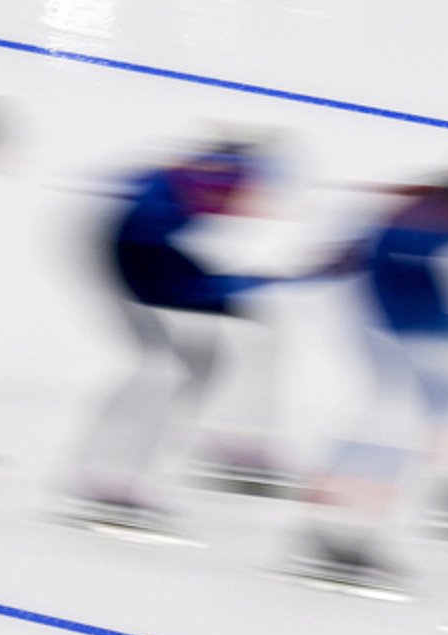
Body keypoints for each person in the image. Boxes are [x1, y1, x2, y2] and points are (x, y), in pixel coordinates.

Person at [285, 161, 448, 596]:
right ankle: (333, 534)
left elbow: (395, 266)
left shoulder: (441, 217)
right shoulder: (424, 224)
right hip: (388, 323)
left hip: (402, 320)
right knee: (400, 421)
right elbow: (387, 269)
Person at [62, 137, 292, 536]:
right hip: (129, 256)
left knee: (215, 354)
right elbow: (171, 278)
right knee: (161, 369)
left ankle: (229, 441)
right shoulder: (159, 208)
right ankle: (103, 474)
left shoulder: (180, 193)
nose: (244, 208)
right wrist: (238, 284)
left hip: (143, 251)